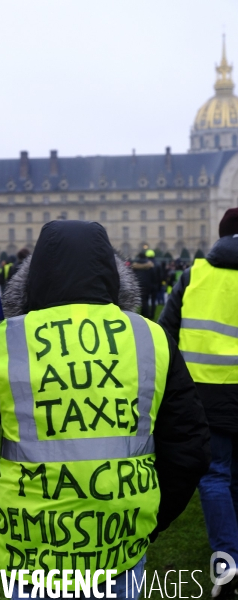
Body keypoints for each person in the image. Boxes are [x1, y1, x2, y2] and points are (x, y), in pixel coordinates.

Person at [0, 220, 209, 599]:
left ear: (34, 277)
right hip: (121, 541)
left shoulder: (7, 338)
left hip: (29, 549)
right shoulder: (150, 336)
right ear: (112, 274)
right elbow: (189, 444)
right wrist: (153, 519)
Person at [159, 207, 238, 598]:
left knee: (215, 475)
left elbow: (165, 335)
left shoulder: (194, 275)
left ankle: (227, 558)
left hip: (206, 393)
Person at [131, 251, 155, 318]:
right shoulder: (150, 265)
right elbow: (153, 275)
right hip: (148, 284)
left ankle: (144, 314)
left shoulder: (135, 265)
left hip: (139, 284)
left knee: (142, 300)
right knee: (146, 300)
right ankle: (146, 314)